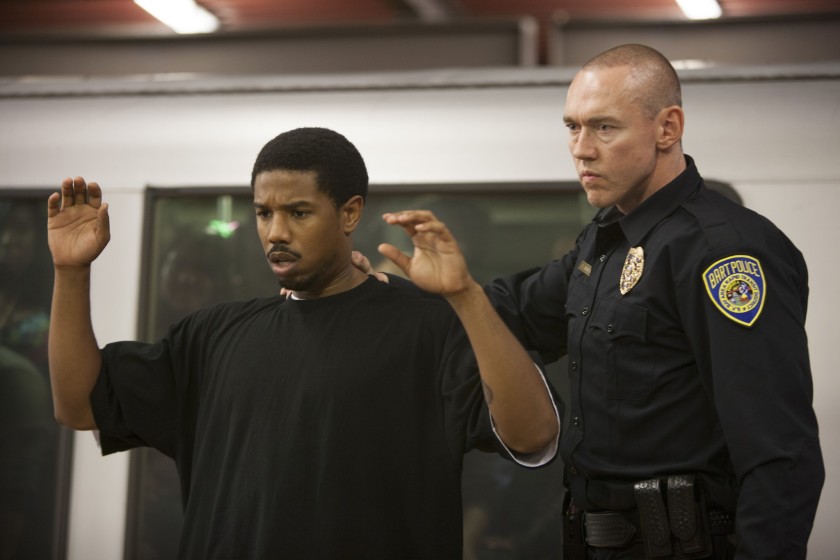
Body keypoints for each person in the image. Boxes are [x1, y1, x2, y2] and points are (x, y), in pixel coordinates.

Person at [368, 44, 824, 558]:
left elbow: (780, 457)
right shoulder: (607, 241)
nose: (581, 148)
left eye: (604, 127)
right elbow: (516, 310)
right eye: (572, 127)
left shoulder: (723, 251)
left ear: (667, 128)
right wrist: (380, 291)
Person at [45, 127, 560, 559]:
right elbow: (78, 405)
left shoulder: (426, 327)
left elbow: (534, 434)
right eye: (263, 213)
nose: (275, 232)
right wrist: (71, 271)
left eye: (298, 212)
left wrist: (466, 299)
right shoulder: (212, 336)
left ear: (350, 213)